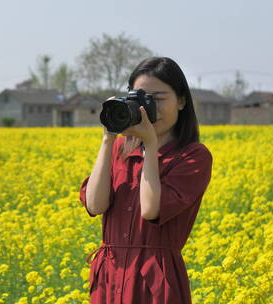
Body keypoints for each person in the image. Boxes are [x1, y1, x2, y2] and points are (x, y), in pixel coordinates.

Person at [79, 57, 213, 304]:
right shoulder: (120, 149)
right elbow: (95, 205)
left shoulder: (193, 156)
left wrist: (150, 146)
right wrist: (108, 137)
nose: (148, 109)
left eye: (158, 99)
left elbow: (151, 210)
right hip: (111, 276)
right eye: (140, 98)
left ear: (182, 101)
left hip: (155, 282)